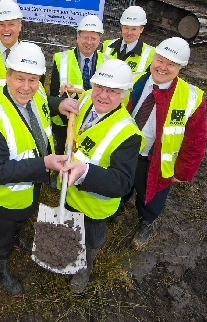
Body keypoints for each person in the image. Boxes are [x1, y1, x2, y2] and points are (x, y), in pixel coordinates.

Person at [0, 42, 78, 296]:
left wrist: (59, 105)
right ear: (7, 76)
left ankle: (18, 236)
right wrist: (44, 164)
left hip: (31, 186)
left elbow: (44, 104)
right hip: (4, 198)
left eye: (33, 80)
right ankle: (1, 264)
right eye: (19, 79)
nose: (26, 87)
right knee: (1, 236)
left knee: (24, 216)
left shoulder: (38, 94)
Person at [61, 59, 143, 293]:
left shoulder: (128, 133)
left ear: (124, 95)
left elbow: (122, 183)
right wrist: (61, 104)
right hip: (70, 192)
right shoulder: (87, 98)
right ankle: (69, 254)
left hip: (95, 205)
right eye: (99, 87)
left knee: (91, 240)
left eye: (113, 91)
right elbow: (73, 102)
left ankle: (84, 267)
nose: (103, 95)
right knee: (69, 229)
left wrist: (85, 172)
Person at [126, 37, 207, 249]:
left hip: (156, 161)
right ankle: (117, 207)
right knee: (122, 184)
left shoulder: (191, 97)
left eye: (171, 64)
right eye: (160, 60)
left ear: (181, 67)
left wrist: (183, 172)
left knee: (151, 197)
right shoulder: (133, 81)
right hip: (126, 151)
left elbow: (196, 140)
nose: (163, 67)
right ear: (153, 58)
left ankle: (146, 222)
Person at [50, 14, 109, 154]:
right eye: (85, 37)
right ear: (78, 37)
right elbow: (52, 96)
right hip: (65, 124)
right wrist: (61, 94)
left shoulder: (107, 62)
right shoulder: (61, 59)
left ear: (99, 40)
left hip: (93, 123)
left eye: (93, 38)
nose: (89, 42)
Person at [101, 6, 155, 74]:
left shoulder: (150, 54)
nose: (129, 33)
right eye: (126, 28)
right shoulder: (106, 45)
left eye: (134, 29)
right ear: (121, 27)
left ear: (141, 29)